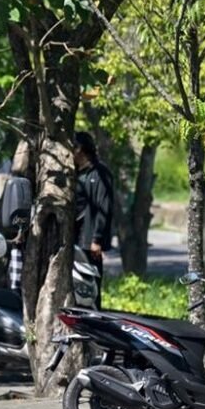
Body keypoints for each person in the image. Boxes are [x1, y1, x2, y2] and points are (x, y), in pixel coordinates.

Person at [74, 131, 114, 308]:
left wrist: (96, 240)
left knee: (91, 287)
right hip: (75, 241)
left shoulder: (100, 173)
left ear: (80, 149)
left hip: (89, 243)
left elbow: (104, 207)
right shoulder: (76, 174)